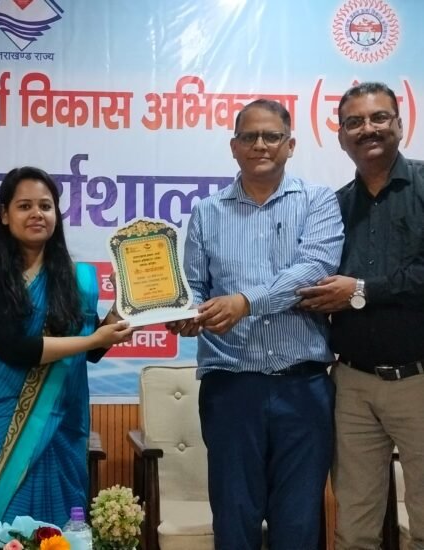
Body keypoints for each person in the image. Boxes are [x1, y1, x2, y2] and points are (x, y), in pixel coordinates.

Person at [168, 99, 344, 549]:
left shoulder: (318, 201)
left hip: (303, 387)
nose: (260, 145)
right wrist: (184, 316)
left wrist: (246, 303)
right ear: (234, 146)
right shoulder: (207, 211)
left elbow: (313, 270)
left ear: (290, 144)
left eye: (271, 136)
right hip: (231, 388)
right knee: (234, 518)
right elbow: (193, 287)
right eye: (249, 137)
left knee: (299, 522)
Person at [0, 166, 133, 543]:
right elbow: (15, 348)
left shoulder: (76, 278)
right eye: (24, 206)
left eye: (45, 206)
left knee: (60, 534)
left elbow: (94, 348)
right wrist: (92, 339)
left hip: (62, 420)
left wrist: (125, 303)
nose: (37, 214)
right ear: (5, 214)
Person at [296, 82, 424, 550]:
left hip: (418, 380)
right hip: (351, 385)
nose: (367, 129)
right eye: (354, 122)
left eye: (378, 118)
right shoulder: (334, 206)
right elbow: (312, 276)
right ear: (341, 136)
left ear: (399, 125)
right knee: (353, 527)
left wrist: (362, 291)